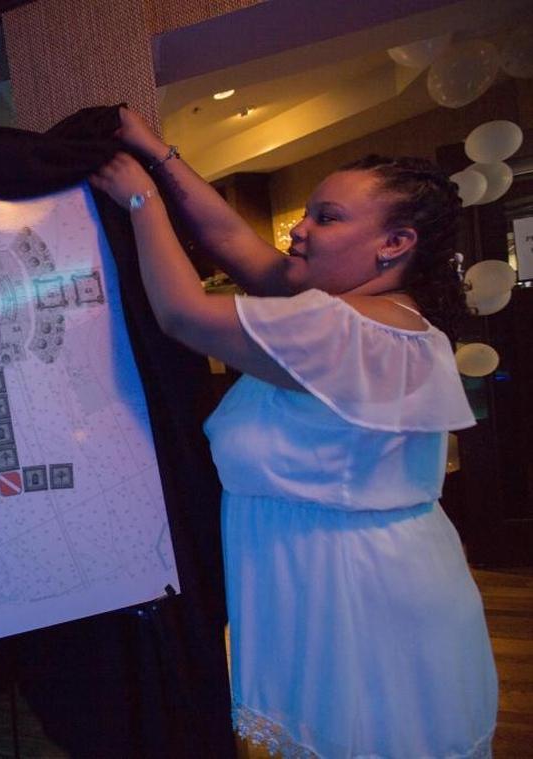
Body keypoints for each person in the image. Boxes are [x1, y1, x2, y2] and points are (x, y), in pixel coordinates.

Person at [90, 108, 497, 758]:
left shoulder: (349, 329)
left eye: (327, 218)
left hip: (354, 595)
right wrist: (154, 151)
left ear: (395, 243)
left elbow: (182, 314)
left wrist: (139, 196)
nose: (300, 230)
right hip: (330, 574)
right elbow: (234, 241)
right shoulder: (364, 314)